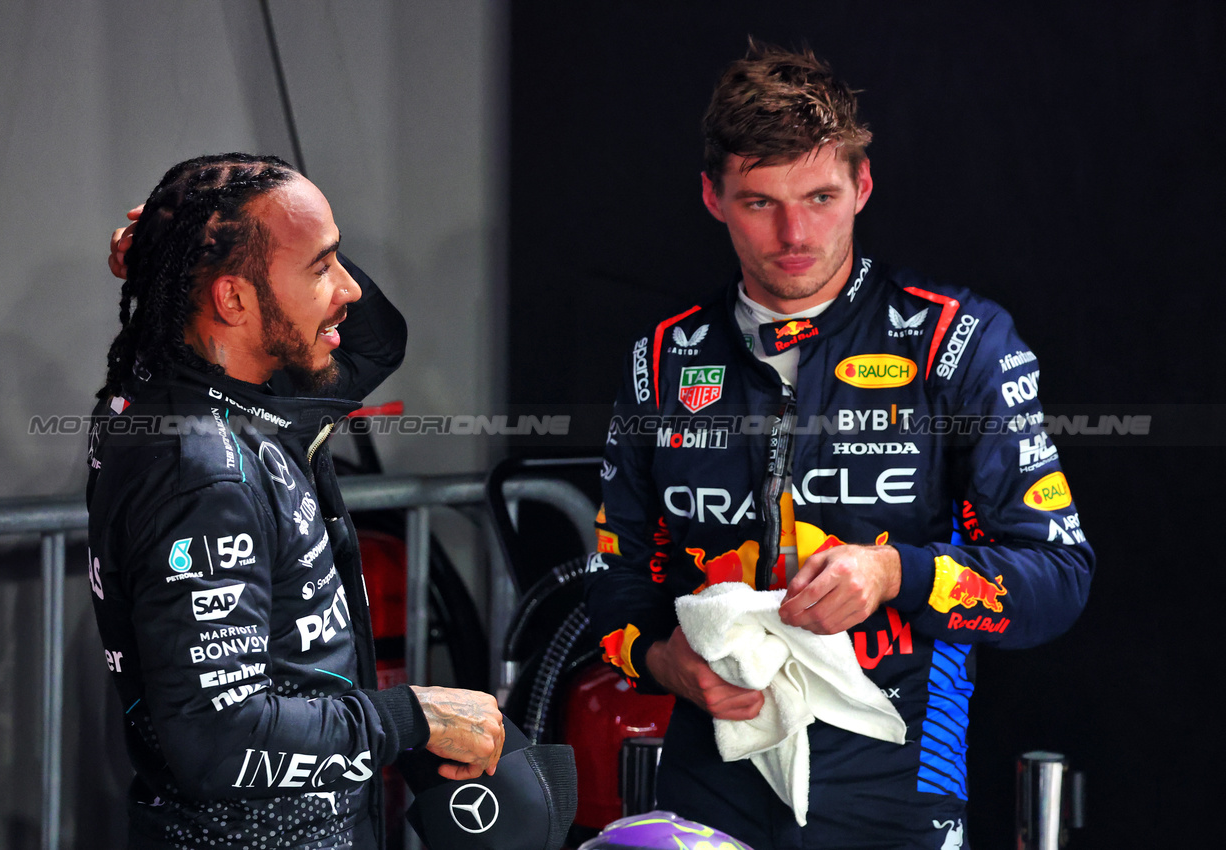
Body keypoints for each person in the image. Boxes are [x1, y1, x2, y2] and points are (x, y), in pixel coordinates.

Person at [585, 42, 1094, 850]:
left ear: (860, 185)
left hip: (896, 791)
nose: (794, 233)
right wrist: (660, 663)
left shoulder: (957, 344)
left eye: (820, 196)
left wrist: (893, 572)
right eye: (759, 203)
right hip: (707, 783)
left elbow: (1058, 580)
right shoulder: (659, 360)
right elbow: (615, 577)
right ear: (713, 198)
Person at [87, 153, 504, 850]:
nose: (346, 288)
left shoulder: (237, 387)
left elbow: (377, 340)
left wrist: (201, 249)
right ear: (235, 300)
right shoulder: (203, 472)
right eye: (320, 268)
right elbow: (216, 740)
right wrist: (411, 716)